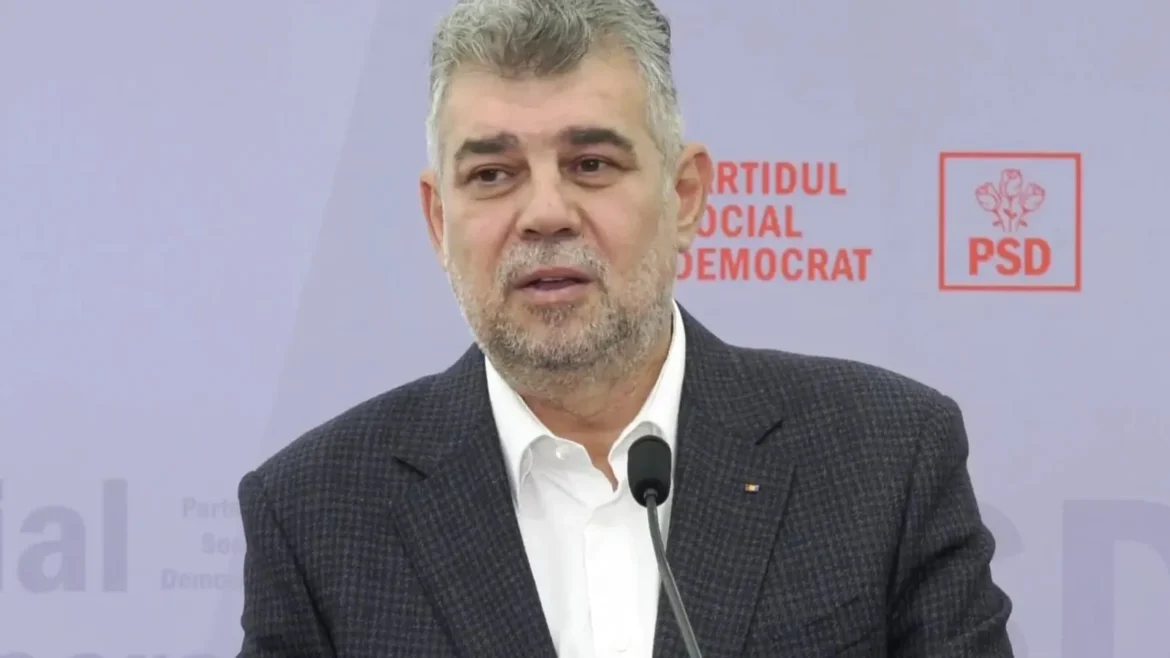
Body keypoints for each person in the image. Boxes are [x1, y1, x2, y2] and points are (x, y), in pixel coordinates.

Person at [235, 0, 1015, 655]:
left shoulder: (884, 457)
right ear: (440, 220)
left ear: (686, 195)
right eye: (493, 175)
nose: (544, 214)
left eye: (591, 164)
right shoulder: (316, 512)